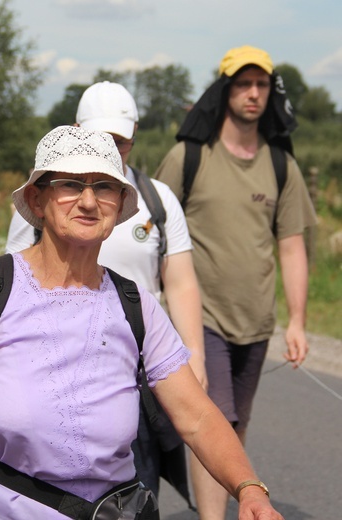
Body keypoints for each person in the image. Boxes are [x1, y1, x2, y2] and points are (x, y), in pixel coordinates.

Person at [0, 125, 284, 520]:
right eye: (71, 184)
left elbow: (197, 417)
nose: (89, 201)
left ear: (119, 204)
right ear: (38, 200)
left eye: (104, 187)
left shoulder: (135, 307)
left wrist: (248, 488)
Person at [5, 82, 205, 502]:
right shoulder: (50, 196)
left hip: (135, 372)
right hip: (52, 367)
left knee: (135, 490)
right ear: (77, 129)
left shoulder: (158, 199)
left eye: (122, 140)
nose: (113, 147)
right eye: (102, 138)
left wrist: (194, 358)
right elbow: (13, 279)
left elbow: (181, 282)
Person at [154, 45, 317, 520]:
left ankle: (234, 498)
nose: (253, 94)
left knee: (235, 425)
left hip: (257, 321)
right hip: (201, 319)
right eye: (243, 84)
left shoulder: (280, 164)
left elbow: (292, 246)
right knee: (213, 419)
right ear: (225, 90)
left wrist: (298, 321)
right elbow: (151, 227)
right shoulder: (188, 157)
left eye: (261, 85)